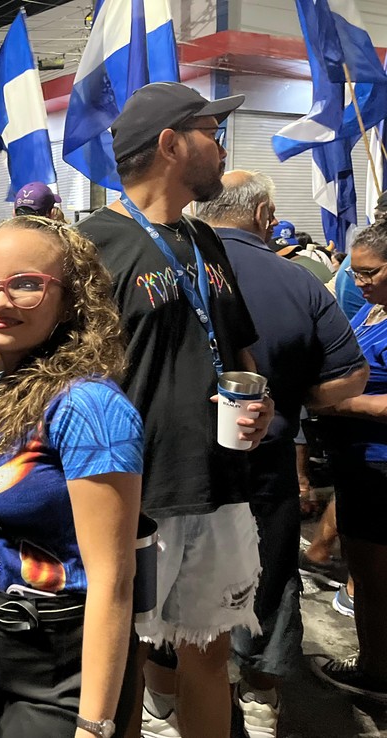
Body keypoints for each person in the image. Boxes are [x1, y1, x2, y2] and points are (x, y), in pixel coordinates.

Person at [74, 82, 274, 738]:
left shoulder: (205, 240)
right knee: (121, 658)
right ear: (169, 144)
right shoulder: (91, 246)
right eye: (210, 132)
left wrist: (260, 399)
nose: (221, 146)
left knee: (210, 655)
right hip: (135, 499)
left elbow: (238, 349)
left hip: (217, 490)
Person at [0, 215, 142, 738]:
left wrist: (95, 725)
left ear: (72, 301)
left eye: (27, 284)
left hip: (66, 671)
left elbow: (114, 582)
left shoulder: (88, 405)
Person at [197, 170, 368, 736]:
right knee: (269, 581)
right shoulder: (300, 282)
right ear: (266, 214)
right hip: (267, 464)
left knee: (179, 580)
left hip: (180, 468)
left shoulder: (172, 273)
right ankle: (261, 698)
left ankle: (178, 699)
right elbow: (351, 376)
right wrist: (291, 401)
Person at [312, 219, 387, 701]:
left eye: (370, 273)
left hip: (379, 465)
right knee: (365, 571)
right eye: (355, 274)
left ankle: (378, 673)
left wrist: (333, 402)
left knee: (375, 580)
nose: (359, 283)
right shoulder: (376, 311)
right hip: (357, 460)